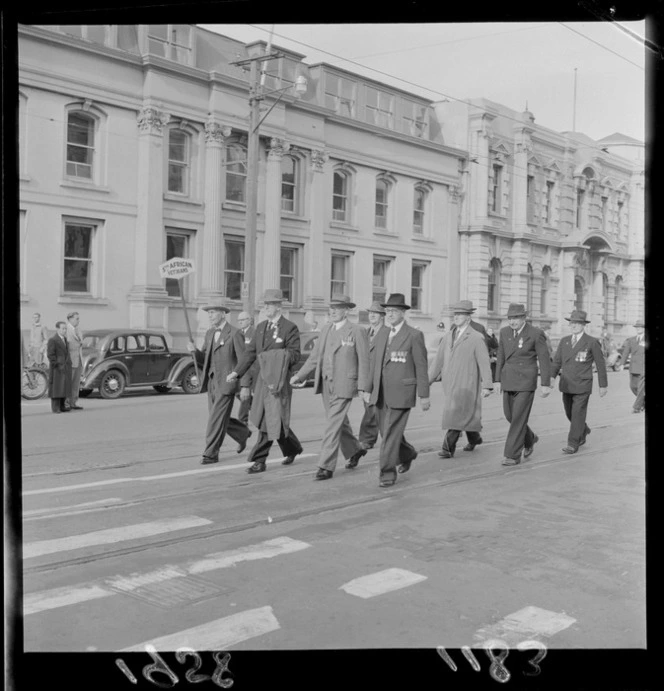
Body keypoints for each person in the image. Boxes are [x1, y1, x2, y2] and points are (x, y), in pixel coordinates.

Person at [290, 294, 369, 481]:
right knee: (339, 422)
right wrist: (299, 375)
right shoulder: (326, 330)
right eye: (331, 308)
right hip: (326, 383)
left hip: (345, 383)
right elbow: (315, 357)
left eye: (337, 308)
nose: (332, 311)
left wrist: (363, 387)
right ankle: (355, 450)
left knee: (332, 425)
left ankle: (326, 466)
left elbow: (365, 361)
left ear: (346, 310)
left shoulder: (357, 331)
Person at [227, 288, 303, 474]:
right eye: (265, 304)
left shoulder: (289, 328)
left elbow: (294, 355)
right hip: (262, 381)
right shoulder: (260, 328)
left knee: (269, 420)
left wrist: (272, 357)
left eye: (269, 304)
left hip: (278, 382)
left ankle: (259, 460)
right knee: (267, 417)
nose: (266, 308)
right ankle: (292, 448)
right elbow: (250, 353)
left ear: (278, 307)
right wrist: (236, 373)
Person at [362, 293, 430, 488]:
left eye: (394, 311)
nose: (390, 314)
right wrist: (367, 388)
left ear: (403, 313)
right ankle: (407, 453)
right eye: (388, 311)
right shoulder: (382, 333)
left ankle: (387, 472)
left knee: (390, 434)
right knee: (386, 433)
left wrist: (424, 395)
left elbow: (421, 366)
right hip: (380, 393)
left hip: (402, 392)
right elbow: (374, 365)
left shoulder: (414, 335)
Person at [187, 301, 252, 465]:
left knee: (215, 419)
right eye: (208, 313)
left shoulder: (235, 333)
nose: (210, 315)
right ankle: (242, 432)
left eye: (213, 312)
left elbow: (244, 361)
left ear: (223, 314)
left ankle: (210, 453)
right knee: (218, 417)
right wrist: (194, 351)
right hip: (211, 381)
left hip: (227, 382)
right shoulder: (209, 333)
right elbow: (204, 360)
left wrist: (245, 386)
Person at [428, 300, 493, 457]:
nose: (456, 317)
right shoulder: (448, 336)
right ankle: (474, 438)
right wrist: (427, 381)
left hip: (467, 383)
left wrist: (487, 385)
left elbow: (484, 363)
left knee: (456, 414)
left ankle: (447, 448)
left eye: (460, 314)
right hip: (450, 384)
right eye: (455, 314)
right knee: (463, 414)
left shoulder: (476, 337)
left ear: (468, 318)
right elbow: (438, 361)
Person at [494, 303, 552, 466]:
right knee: (510, 416)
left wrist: (545, 383)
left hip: (526, 381)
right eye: (510, 318)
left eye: (516, 318)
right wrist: (497, 380)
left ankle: (512, 454)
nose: (512, 322)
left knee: (518, 417)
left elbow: (544, 359)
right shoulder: (504, 332)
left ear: (524, 318)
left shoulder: (535, 333)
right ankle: (530, 438)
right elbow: (501, 356)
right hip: (508, 379)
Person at [550, 310, 608, 453]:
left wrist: (603, 385)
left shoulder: (592, 342)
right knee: (569, 412)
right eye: (572, 323)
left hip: (582, 384)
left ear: (584, 325)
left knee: (577, 413)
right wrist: (551, 378)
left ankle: (573, 443)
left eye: (577, 323)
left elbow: (600, 364)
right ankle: (584, 429)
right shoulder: (565, 341)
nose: (574, 326)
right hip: (567, 383)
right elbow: (557, 362)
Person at [352, 301, 390, 466]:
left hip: (381, 376)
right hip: (366, 376)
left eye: (375, 313)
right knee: (370, 407)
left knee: (375, 408)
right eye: (370, 313)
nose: (372, 316)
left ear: (382, 316)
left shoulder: (387, 333)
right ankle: (372, 437)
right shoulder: (366, 333)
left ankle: (368, 438)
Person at [235, 311, 257, 427]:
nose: (240, 322)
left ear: (249, 320)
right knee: (239, 393)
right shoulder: (238, 333)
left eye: (242, 320)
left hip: (252, 368)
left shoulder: (254, 333)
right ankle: (256, 409)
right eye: (239, 321)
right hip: (241, 369)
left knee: (245, 394)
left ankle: (243, 420)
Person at [618, 319, 645, 413]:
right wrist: (622, 364)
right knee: (633, 387)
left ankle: (636, 407)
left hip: (643, 367)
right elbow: (625, 352)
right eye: (637, 327)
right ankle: (643, 402)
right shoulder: (631, 340)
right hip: (633, 367)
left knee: (641, 387)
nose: (638, 329)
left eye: (641, 327)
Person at [46, 321, 72, 413]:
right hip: (57, 367)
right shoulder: (53, 340)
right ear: (57, 329)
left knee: (63, 386)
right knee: (57, 387)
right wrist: (55, 364)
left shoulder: (64, 339)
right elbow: (50, 354)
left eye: (65, 328)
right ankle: (55, 407)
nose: (64, 330)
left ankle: (62, 405)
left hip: (65, 366)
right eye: (63, 328)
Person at [65, 311, 84, 410]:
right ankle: (66, 403)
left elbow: (81, 342)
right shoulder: (66, 329)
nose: (78, 321)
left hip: (79, 359)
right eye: (76, 319)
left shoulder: (78, 329)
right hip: (71, 360)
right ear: (70, 319)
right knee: (68, 382)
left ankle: (73, 402)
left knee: (76, 383)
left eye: (78, 318)